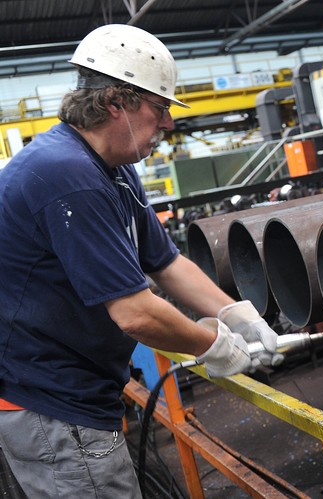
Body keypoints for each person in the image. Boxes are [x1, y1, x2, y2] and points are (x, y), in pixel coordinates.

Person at [0, 24, 280, 498]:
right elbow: (135, 314)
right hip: (52, 404)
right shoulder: (67, 176)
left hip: (71, 393)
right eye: (160, 107)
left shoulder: (113, 169)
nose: (168, 123)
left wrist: (235, 312)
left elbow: (165, 262)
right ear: (116, 102)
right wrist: (210, 344)